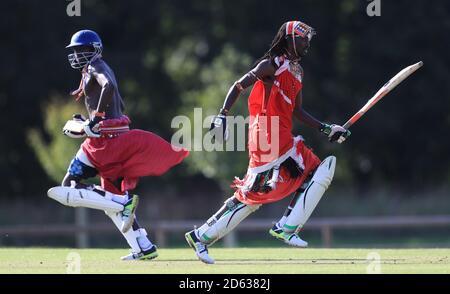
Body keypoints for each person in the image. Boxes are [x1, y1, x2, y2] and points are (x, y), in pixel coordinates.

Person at [185, 21, 351, 264]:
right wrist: (222, 115)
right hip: (266, 135)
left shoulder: (297, 72)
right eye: (303, 39)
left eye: (308, 40)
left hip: (281, 135)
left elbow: (298, 110)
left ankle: (201, 236)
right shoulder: (272, 64)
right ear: (290, 39)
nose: (307, 44)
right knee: (317, 170)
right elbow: (238, 85)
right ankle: (286, 227)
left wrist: (327, 128)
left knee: (256, 195)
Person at [50, 30, 189, 260]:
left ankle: (121, 203)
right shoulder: (92, 69)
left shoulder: (96, 66)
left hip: (104, 143)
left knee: (71, 184)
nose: (77, 54)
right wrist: (86, 120)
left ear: (95, 50)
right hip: (112, 138)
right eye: (75, 51)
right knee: (110, 202)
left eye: (82, 50)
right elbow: (118, 102)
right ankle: (143, 247)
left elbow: (109, 88)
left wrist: (95, 120)